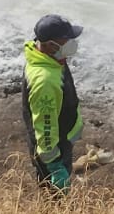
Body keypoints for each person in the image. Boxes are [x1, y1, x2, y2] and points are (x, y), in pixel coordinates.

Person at [22, 14, 84, 192]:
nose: (72, 42)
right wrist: (54, 165)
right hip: (52, 153)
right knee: (55, 199)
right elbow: (45, 126)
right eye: (67, 39)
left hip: (58, 144)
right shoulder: (45, 81)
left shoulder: (50, 60)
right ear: (51, 44)